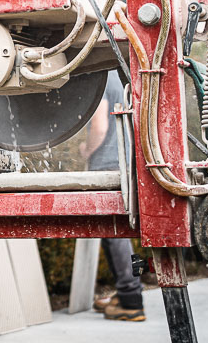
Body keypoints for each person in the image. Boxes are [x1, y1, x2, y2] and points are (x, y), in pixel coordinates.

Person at [80, 70, 145, 322]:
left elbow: (100, 125)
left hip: (107, 164)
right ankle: (130, 291)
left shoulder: (98, 77)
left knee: (114, 235)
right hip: (125, 161)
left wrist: (86, 150)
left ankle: (131, 300)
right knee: (127, 235)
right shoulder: (119, 75)